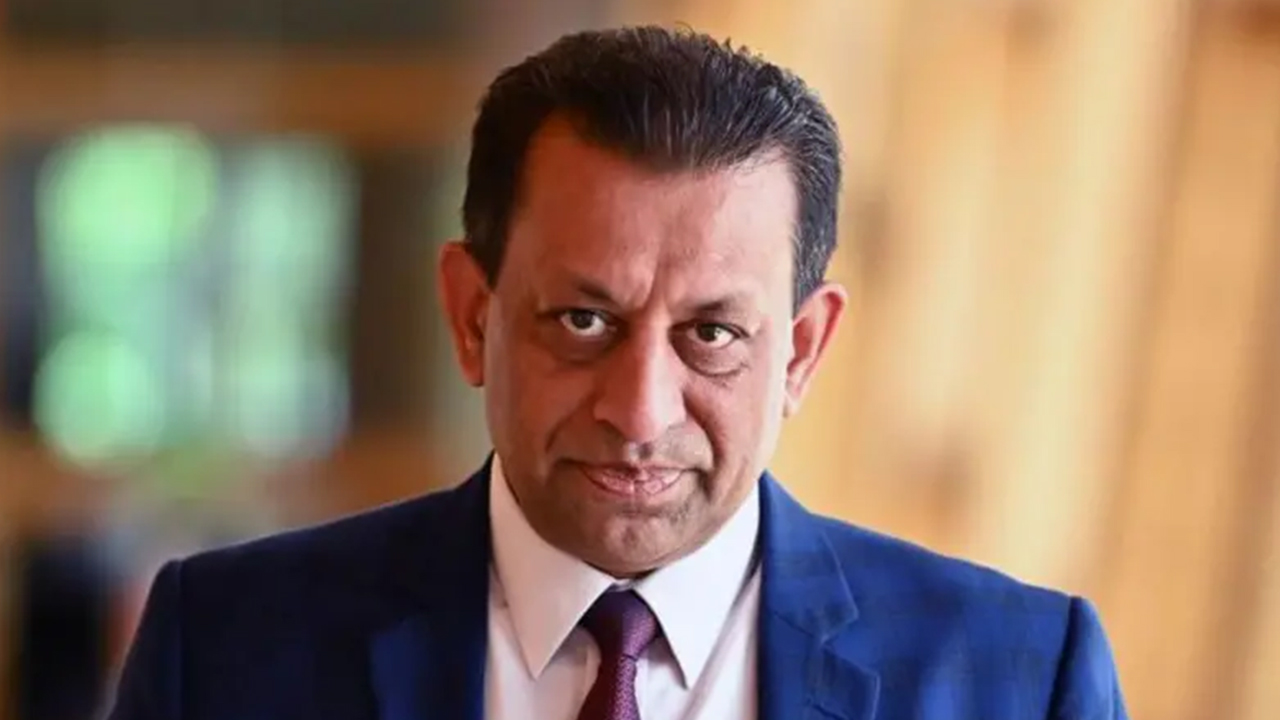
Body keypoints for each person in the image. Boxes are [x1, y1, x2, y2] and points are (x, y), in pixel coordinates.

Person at [108, 26, 1128, 720]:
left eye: (711, 334)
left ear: (802, 350)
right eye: (583, 320)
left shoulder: (1017, 679)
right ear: (472, 316)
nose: (639, 413)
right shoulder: (229, 648)